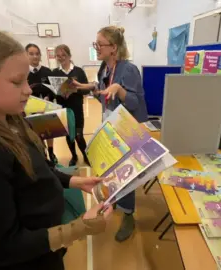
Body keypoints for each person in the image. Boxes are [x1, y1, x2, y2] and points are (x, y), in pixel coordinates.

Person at [0, 24, 112, 270]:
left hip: (45, 248)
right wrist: (79, 228)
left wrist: (70, 181)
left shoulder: (9, 118)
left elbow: (34, 167)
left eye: (26, 80)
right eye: (17, 82)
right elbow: (1, 249)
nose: (28, 90)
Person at [71, 26, 148, 242]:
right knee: (110, 168)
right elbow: (104, 95)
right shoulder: (104, 68)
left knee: (126, 173)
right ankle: (113, 198)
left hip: (126, 128)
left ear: (114, 47)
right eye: (96, 44)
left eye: (100, 44)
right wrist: (89, 89)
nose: (96, 48)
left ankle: (128, 215)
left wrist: (119, 89)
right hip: (109, 124)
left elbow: (135, 102)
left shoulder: (129, 70)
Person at [53, 44, 90, 166]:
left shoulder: (78, 71)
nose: (61, 58)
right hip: (63, 109)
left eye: (64, 55)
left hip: (77, 108)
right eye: (58, 56)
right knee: (69, 135)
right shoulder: (55, 73)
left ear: (69, 56)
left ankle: (86, 156)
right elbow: (54, 93)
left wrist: (74, 90)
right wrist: (60, 94)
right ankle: (74, 156)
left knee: (79, 135)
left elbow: (86, 90)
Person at [25, 43, 58, 164]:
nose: (35, 57)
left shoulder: (47, 71)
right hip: (29, 110)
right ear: (26, 55)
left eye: (37, 54)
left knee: (49, 132)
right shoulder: (23, 72)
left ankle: (51, 152)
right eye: (31, 54)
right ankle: (42, 154)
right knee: (35, 134)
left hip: (46, 108)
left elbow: (54, 90)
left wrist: (49, 97)